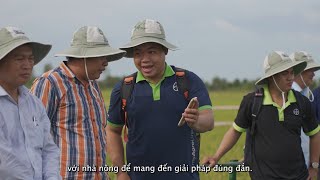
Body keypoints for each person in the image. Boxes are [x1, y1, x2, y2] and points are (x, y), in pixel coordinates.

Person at [106, 19, 214, 180]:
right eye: (138, 53)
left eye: (151, 51)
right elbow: (112, 131)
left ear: (165, 51)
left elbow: (208, 121)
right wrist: (121, 172)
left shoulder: (188, 81)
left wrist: (196, 121)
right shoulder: (124, 88)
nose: (144, 59)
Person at [202, 51, 320, 180]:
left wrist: (314, 167)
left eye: (292, 72)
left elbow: (315, 134)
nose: (290, 77)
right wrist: (216, 156)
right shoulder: (252, 102)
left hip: (298, 176)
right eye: (284, 73)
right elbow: (235, 131)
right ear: (272, 76)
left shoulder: (302, 102)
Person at [31, 26, 126, 180]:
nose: (106, 63)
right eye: (101, 56)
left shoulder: (93, 85)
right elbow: (31, 139)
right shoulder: (50, 83)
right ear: (83, 56)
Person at [0, 27, 60, 179]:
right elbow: (6, 163)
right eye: (19, 59)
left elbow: (49, 149)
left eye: (30, 58)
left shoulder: (33, 102)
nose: (27, 65)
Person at [291, 51, 320, 168]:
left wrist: (313, 166)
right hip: (289, 169)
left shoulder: (308, 96)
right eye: (309, 69)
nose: (313, 74)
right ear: (298, 71)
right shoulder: (285, 96)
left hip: (305, 166)